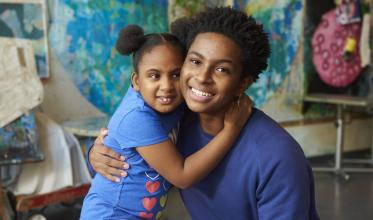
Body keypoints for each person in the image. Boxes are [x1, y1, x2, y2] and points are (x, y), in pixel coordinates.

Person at [89, 7, 319, 220]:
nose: (202, 77)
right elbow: (131, 143)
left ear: (242, 83)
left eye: (222, 69)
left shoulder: (277, 157)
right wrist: (96, 153)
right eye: (196, 61)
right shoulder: (178, 120)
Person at [80, 24, 252, 220]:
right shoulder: (136, 117)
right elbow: (182, 175)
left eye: (176, 75)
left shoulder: (180, 102)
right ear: (136, 82)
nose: (167, 86)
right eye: (154, 76)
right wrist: (232, 129)